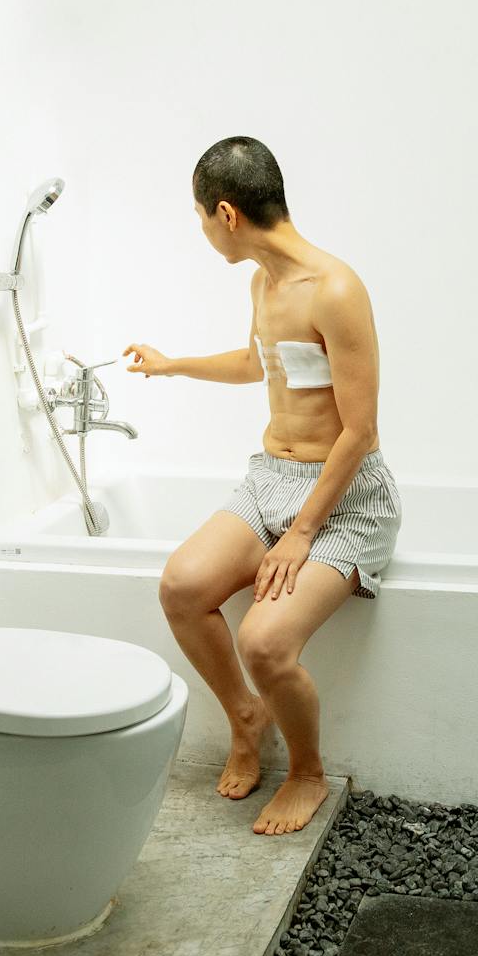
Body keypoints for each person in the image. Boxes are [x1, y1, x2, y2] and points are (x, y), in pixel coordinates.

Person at [124, 136, 400, 836]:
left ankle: (306, 769)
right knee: (181, 586)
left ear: (226, 212)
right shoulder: (262, 283)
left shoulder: (336, 289)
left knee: (266, 642)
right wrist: (172, 364)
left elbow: (359, 431)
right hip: (269, 479)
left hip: (345, 501)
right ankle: (246, 715)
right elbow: (259, 361)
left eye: (200, 216)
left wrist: (303, 532)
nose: (203, 230)